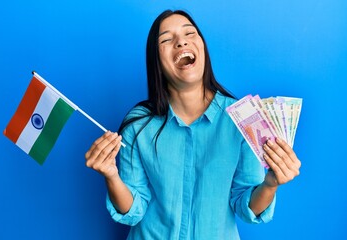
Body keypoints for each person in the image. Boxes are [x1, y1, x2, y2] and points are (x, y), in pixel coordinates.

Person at [85, 9, 301, 240]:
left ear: (203, 48)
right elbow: (134, 212)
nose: (181, 42)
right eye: (167, 39)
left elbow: (245, 206)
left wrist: (270, 183)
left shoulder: (244, 117)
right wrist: (111, 176)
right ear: (156, 61)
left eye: (190, 33)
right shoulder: (138, 124)